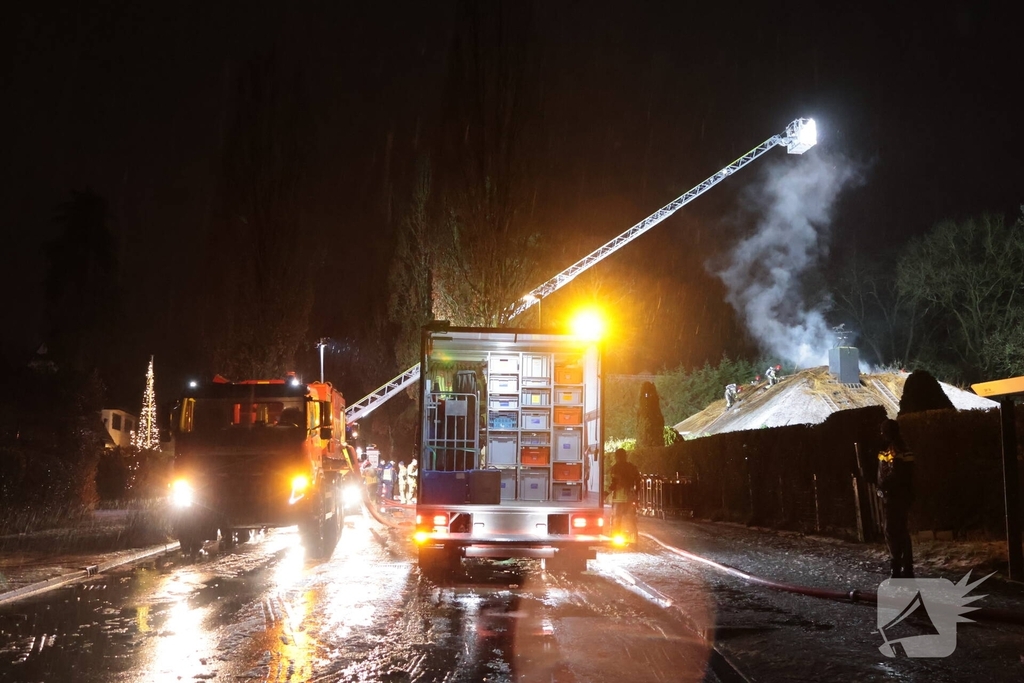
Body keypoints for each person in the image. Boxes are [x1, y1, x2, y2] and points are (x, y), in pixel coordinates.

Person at [877, 418, 915, 578]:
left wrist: (883, 487)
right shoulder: (903, 447)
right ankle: (907, 568)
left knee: (891, 531)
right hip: (903, 496)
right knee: (902, 531)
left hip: (893, 497)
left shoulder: (894, 450)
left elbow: (894, 473)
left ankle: (896, 567)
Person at [607, 448, 641, 543]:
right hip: (630, 498)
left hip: (618, 499)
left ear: (616, 457)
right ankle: (633, 539)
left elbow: (614, 483)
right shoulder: (632, 467)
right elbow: (638, 481)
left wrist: (606, 492)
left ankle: (616, 538)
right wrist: (636, 493)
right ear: (625, 456)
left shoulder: (615, 468)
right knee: (631, 520)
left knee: (617, 519)